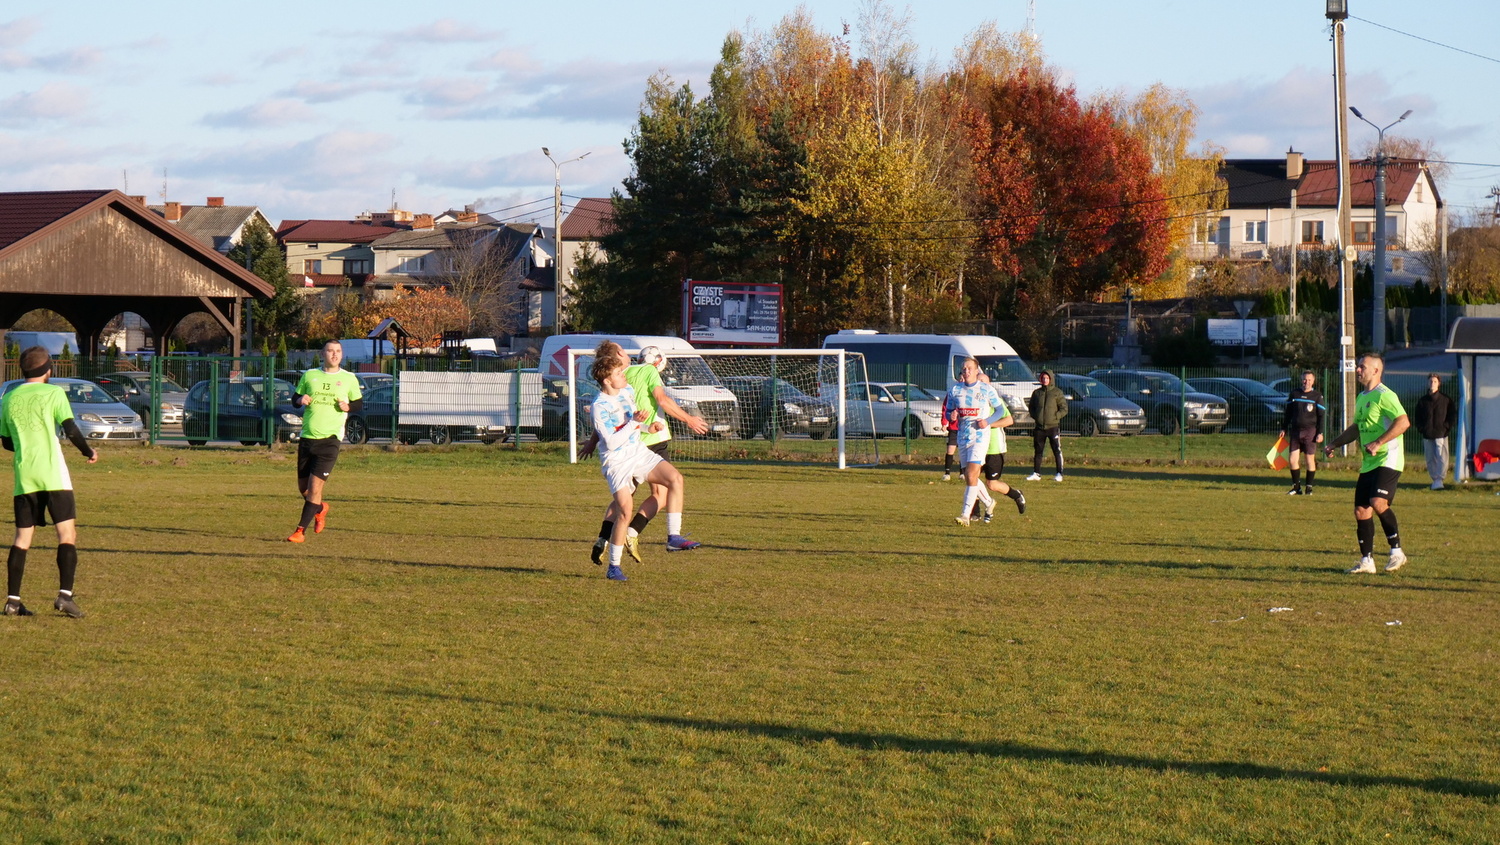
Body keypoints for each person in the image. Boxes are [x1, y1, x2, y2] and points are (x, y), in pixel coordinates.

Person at [582, 346, 707, 564]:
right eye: (622, 351)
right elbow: (660, 401)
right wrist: (688, 419)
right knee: (645, 500)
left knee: (653, 489)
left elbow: (622, 420)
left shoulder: (624, 385)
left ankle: (608, 538)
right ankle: (626, 543)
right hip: (630, 452)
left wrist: (647, 427)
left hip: (639, 444)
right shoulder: (641, 373)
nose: (627, 355)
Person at [1, 346, 98, 618]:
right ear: (48, 370)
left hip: (25, 475)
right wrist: (88, 451)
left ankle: (12, 601)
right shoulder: (54, 393)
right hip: (54, 473)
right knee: (66, 534)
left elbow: (6, 442)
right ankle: (65, 596)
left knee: (22, 538)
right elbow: (71, 429)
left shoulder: (8, 398)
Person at [1324, 353, 1410, 574]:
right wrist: (1334, 443)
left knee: (1378, 502)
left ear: (1376, 371)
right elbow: (1356, 428)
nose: (1358, 370)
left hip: (1388, 458)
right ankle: (1367, 561)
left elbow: (1403, 422)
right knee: (1361, 510)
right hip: (1369, 462)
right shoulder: (1362, 397)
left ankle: (1397, 552)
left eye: (1362, 367)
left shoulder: (1385, 395)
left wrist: (1379, 442)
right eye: (1358, 366)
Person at [287, 341, 363, 543]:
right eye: (330, 351)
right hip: (307, 438)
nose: (334, 354)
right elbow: (295, 399)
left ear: (342, 355)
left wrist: (348, 406)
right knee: (303, 488)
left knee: (315, 488)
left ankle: (300, 531)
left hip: (330, 440)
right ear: (323, 354)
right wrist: (300, 400)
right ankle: (320, 508)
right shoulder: (310, 375)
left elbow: (358, 403)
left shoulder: (348, 378)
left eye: (338, 351)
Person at [946, 358, 1010, 527]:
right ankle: (989, 502)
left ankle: (965, 515)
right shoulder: (955, 390)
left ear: (976, 371)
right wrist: (951, 415)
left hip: (980, 437)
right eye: (964, 368)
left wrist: (987, 421)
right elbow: (948, 411)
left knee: (971, 474)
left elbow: (1000, 410)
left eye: (969, 368)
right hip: (963, 437)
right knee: (969, 476)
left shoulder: (986, 389)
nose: (966, 371)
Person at [1281, 370, 1326, 495]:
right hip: (1295, 431)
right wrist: (1284, 428)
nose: (1307, 382)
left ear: (1313, 381)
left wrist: (1320, 433)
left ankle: (1309, 487)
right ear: (1301, 380)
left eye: (1309, 380)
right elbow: (1288, 412)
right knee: (1292, 460)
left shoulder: (1317, 396)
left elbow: (1322, 416)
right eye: (1305, 379)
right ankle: (1296, 487)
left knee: (1309, 460)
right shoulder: (1295, 394)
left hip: (1310, 432)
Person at [1414, 373, 1455, 490]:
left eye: (1435, 381)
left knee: (1442, 457)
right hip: (1427, 434)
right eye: (1431, 381)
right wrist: (1422, 428)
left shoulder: (1446, 400)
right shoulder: (1423, 401)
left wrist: (1446, 427)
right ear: (1428, 383)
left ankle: (1439, 479)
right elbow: (1417, 417)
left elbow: (1452, 415)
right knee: (1430, 458)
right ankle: (1434, 479)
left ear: (1439, 384)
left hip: (1441, 434)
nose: (1432, 383)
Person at [1025, 370, 1067, 482]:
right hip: (1039, 428)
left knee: (1056, 450)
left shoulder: (1057, 392)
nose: (1045, 380)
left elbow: (1064, 408)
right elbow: (1031, 407)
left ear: (1051, 379)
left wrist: (1056, 416)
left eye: (1047, 378)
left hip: (1053, 427)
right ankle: (1036, 473)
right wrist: (1036, 417)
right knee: (1038, 451)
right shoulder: (1037, 393)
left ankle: (1059, 473)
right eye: (1043, 378)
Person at [940, 390, 960, 482]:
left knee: (963, 452)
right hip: (953, 427)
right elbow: (945, 408)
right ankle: (947, 473)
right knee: (950, 450)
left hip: (965, 428)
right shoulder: (953, 392)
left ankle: (962, 473)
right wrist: (944, 423)